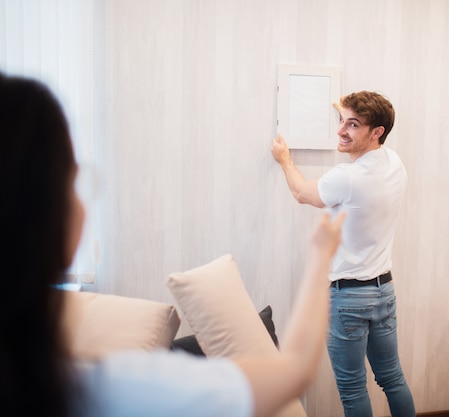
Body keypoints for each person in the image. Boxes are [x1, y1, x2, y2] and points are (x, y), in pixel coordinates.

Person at [0, 72, 345, 417]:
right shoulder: (105, 390)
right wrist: (320, 256)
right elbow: (294, 372)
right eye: (74, 182)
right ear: (48, 217)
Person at [271, 91, 415, 417]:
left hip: (349, 298)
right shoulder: (394, 163)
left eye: (352, 125)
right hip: (384, 292)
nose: (341, 130)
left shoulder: (346, 178)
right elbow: (362, 126)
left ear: (377, 132)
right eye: (341, 120)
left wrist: (284, 159)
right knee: (392, 379)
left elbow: (300, 192)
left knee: (353, 389)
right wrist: (349, 112)